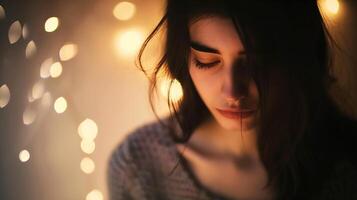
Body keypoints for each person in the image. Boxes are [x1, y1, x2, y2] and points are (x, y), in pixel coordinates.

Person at [107, 0, 357, 199]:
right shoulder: (138, 166)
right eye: (207, 62)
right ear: (184, 59)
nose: (233, 92)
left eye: (257, 63)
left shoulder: (346, 162)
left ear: (296, 57)